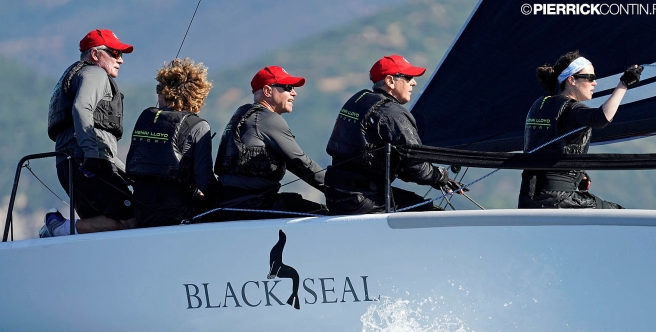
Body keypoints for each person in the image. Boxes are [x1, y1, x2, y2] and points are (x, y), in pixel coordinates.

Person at [323, 55, 463, 215]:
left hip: (337, 196)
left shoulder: (360, 101)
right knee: (427, 211)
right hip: (362, 200)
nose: (414, 83)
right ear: (390, 81)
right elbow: (415, 165)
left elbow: (402, 164)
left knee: (412, 202)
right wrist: (440, 176)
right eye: (409, 77)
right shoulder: (392, 114)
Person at [40, 28, 138, 237]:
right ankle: (60, 228)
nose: (120, 61)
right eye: (115, 53)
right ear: (95, 54)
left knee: (102, 224)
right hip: (87, 162)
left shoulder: (73, 75)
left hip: (70, 163)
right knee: (133, 219)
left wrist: (128, 174)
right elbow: (81, 107)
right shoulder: (95, 73)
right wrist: (91, 153)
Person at [519, 50, 643, 209]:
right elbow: (601, 118)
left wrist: (578, 173)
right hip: (559, 199)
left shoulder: (539, 104)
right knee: (620, 214)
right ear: (571, 80)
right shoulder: (572, 109)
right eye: (590, 77)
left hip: (528, 199)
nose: (595, 83)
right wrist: (624, 84)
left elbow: (550, 148)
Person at [213, 65, 327, 221]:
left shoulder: (241, 115)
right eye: (288, 87)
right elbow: (301, 162)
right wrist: (340, 189)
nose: (294, 92)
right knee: (324, 214)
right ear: (267, 91)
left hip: (228, 204)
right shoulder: (267, 119)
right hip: (253, 206)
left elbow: (293, 164)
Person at [125, 58, 221, 227]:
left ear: (166, 92)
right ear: (196, 94)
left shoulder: (146, 116)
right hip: (177, 211)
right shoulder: (198, 126)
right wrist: (225, 198)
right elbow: (204, 180)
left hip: (140, 208)